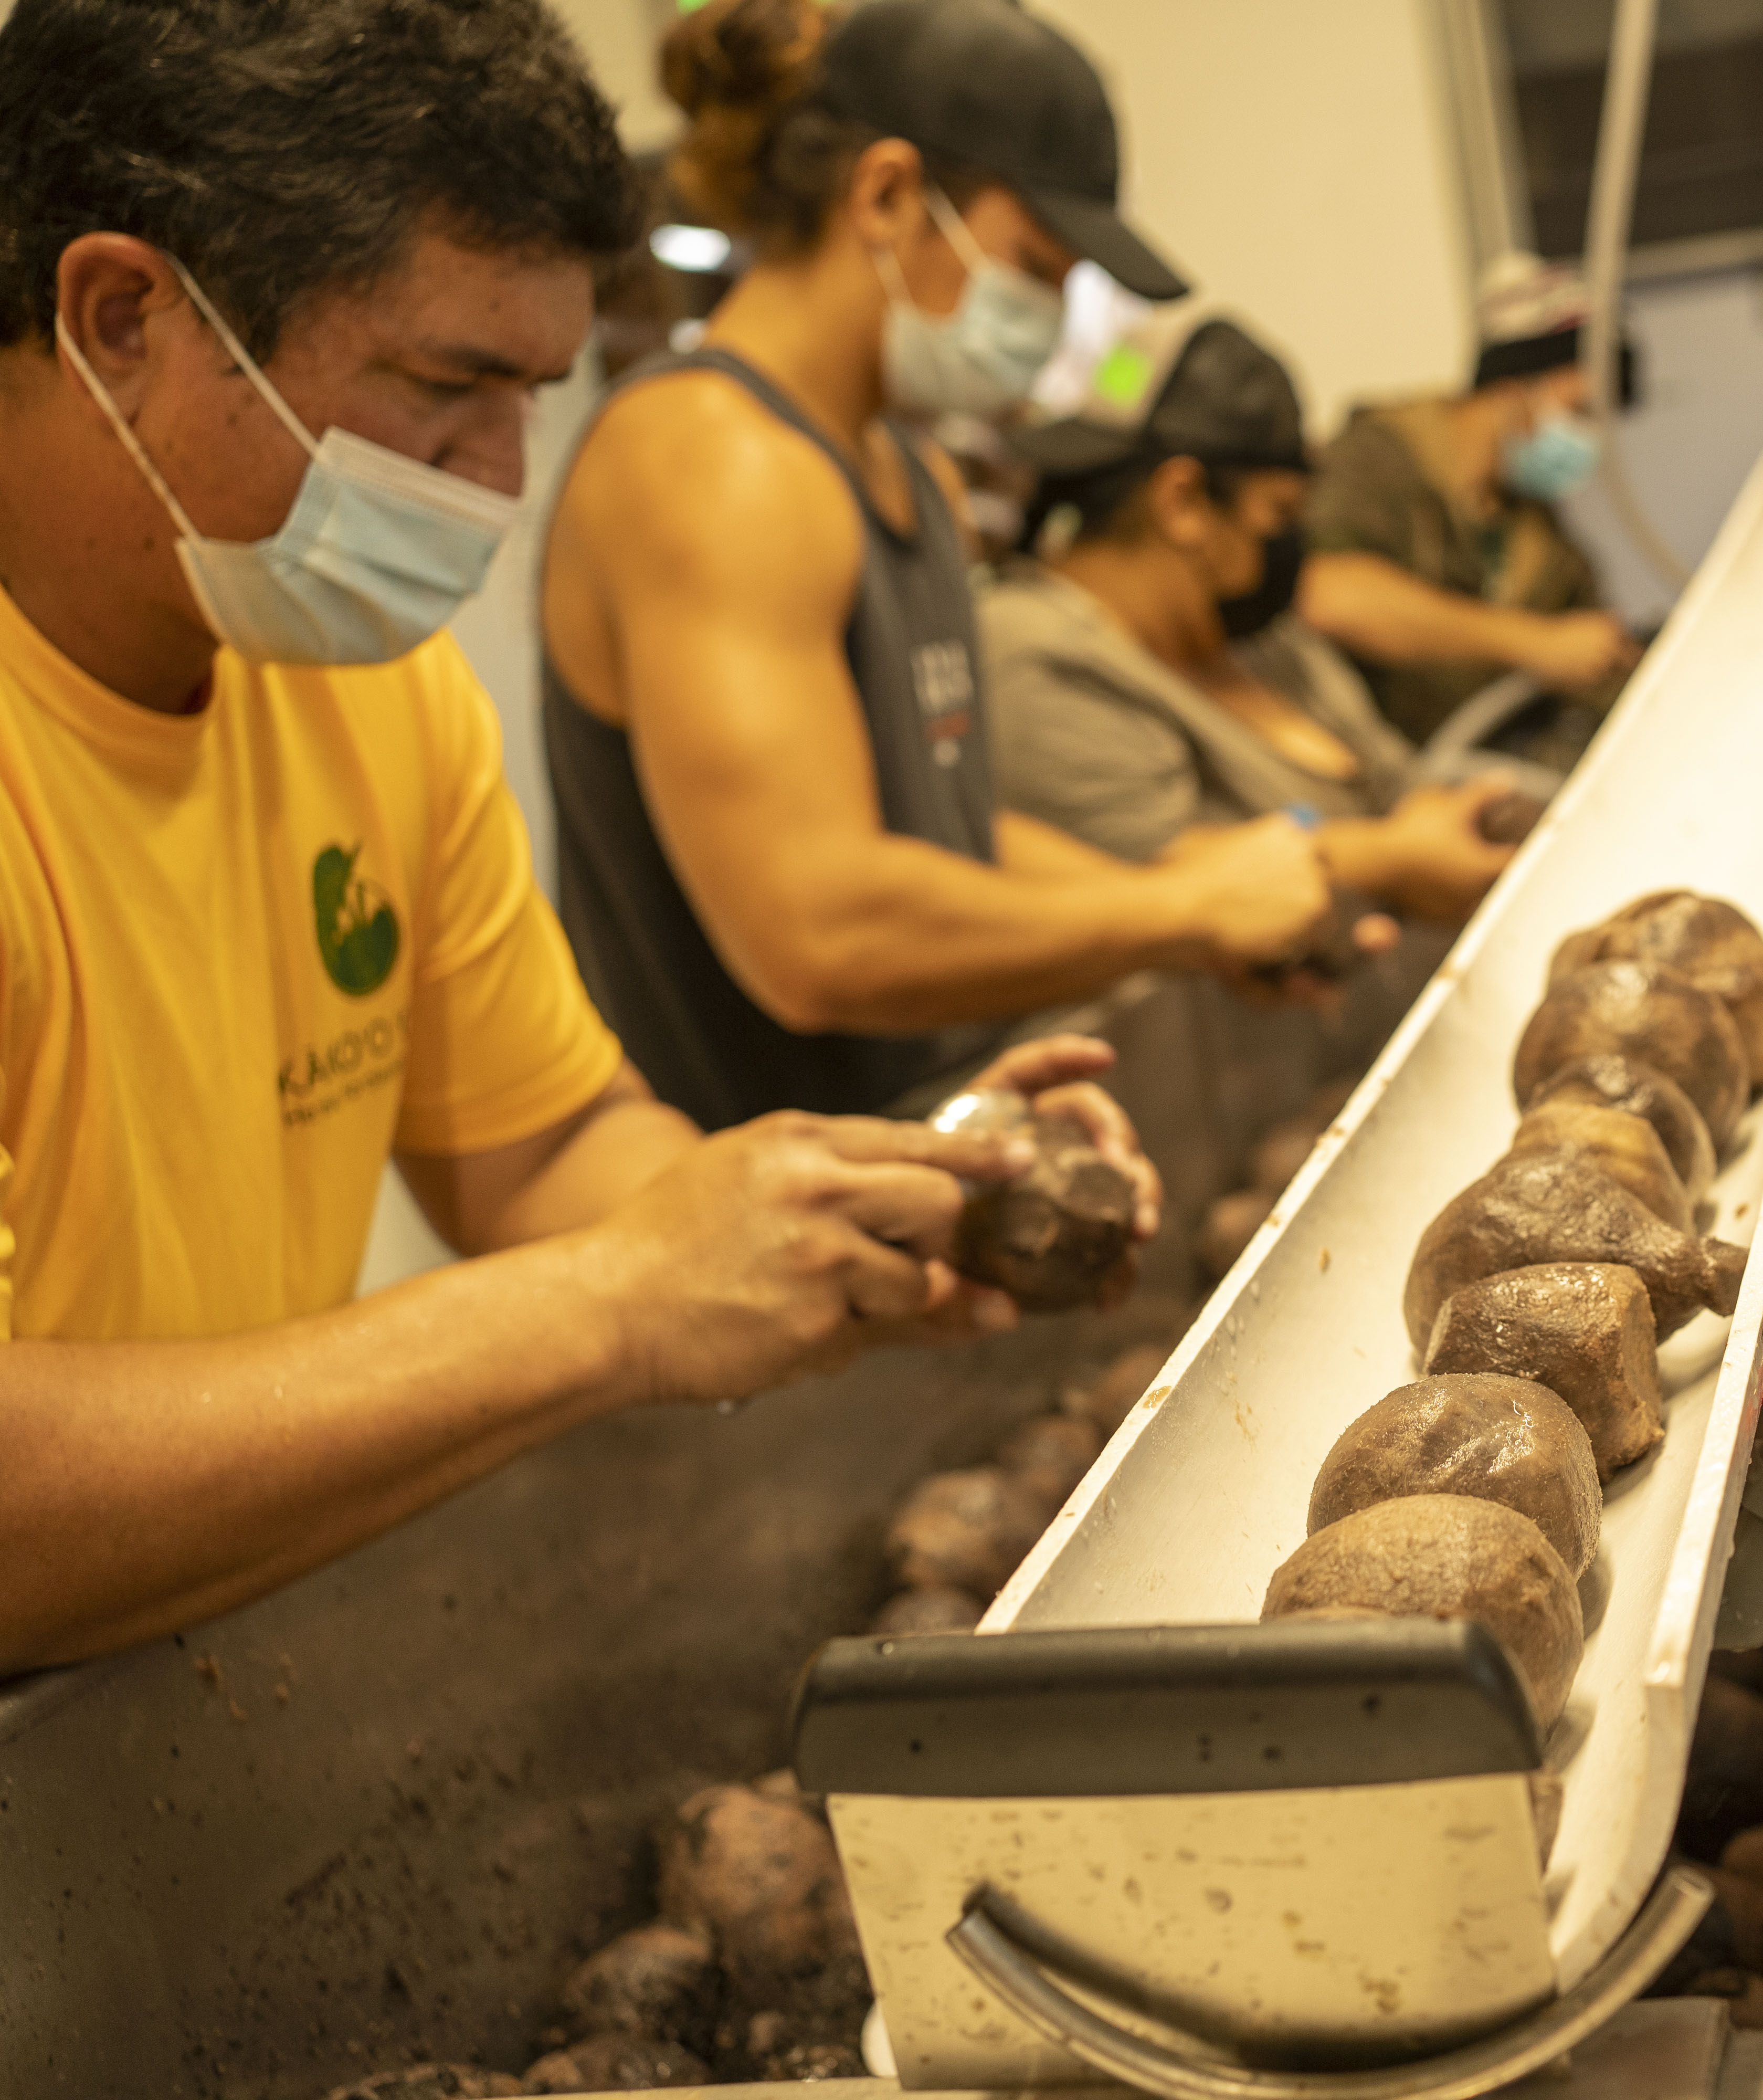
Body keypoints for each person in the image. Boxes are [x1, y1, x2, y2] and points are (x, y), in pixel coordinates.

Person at [0, 0, 1156, 1675]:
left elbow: (539, 1154)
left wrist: (862, 1207)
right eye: (443, 389)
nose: (496, 478)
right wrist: (611, 1310)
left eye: (532, 394)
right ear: (124, 315)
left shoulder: (364, 698)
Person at [542, 0, 1337, 1134]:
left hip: (938, 1166)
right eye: (1035, 266)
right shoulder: (715, 463)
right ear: (887, 196)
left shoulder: (911, 470)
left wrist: (1194, 903)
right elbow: (821, 931)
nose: (1053, 316)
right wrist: (1177, 912)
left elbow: (944, 835)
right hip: (772, 1227)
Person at [985, 309, 1518, 925]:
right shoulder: (1035, 655)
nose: (1288, 544)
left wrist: (1445, 825)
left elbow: (1394, 776)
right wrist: (1393, 858)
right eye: (1279, 512)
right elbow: (1167, 879)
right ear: (1182, 502)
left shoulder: (1257, 634)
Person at [1295, 255, 1641, 746]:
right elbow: (1332, 595)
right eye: (1579, 411)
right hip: (1371, 787)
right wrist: (1531, 643)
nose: (1587, 439)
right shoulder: (1380, 461)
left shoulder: (1537, 536)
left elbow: (1592, 651)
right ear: (1512, 387)